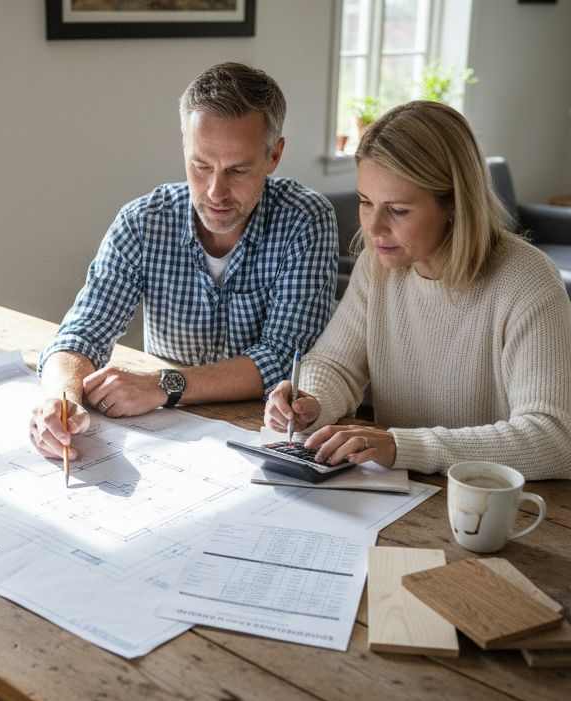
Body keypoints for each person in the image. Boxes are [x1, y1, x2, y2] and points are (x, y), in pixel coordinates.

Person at [29, 62, 339, 460]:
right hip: (162, 440)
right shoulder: (143, 221)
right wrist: (60, 399)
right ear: (184, 145)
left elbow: (284, 356)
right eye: (201, 165)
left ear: (274, 155)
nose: (216, 192)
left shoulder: (306, 219)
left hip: (263, 439)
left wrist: (163, 384)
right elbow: (81, 332)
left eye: (238, 170)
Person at [263, 100, 571, 480]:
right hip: (403, 493)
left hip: (491, 501)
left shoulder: (526, 279)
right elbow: (335, 364)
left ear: (454, 203)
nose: (373, 228)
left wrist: (402, 447)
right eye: (366, 202)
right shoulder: (379, 265)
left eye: (398, 210)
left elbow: (556, 440)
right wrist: (311, 400)